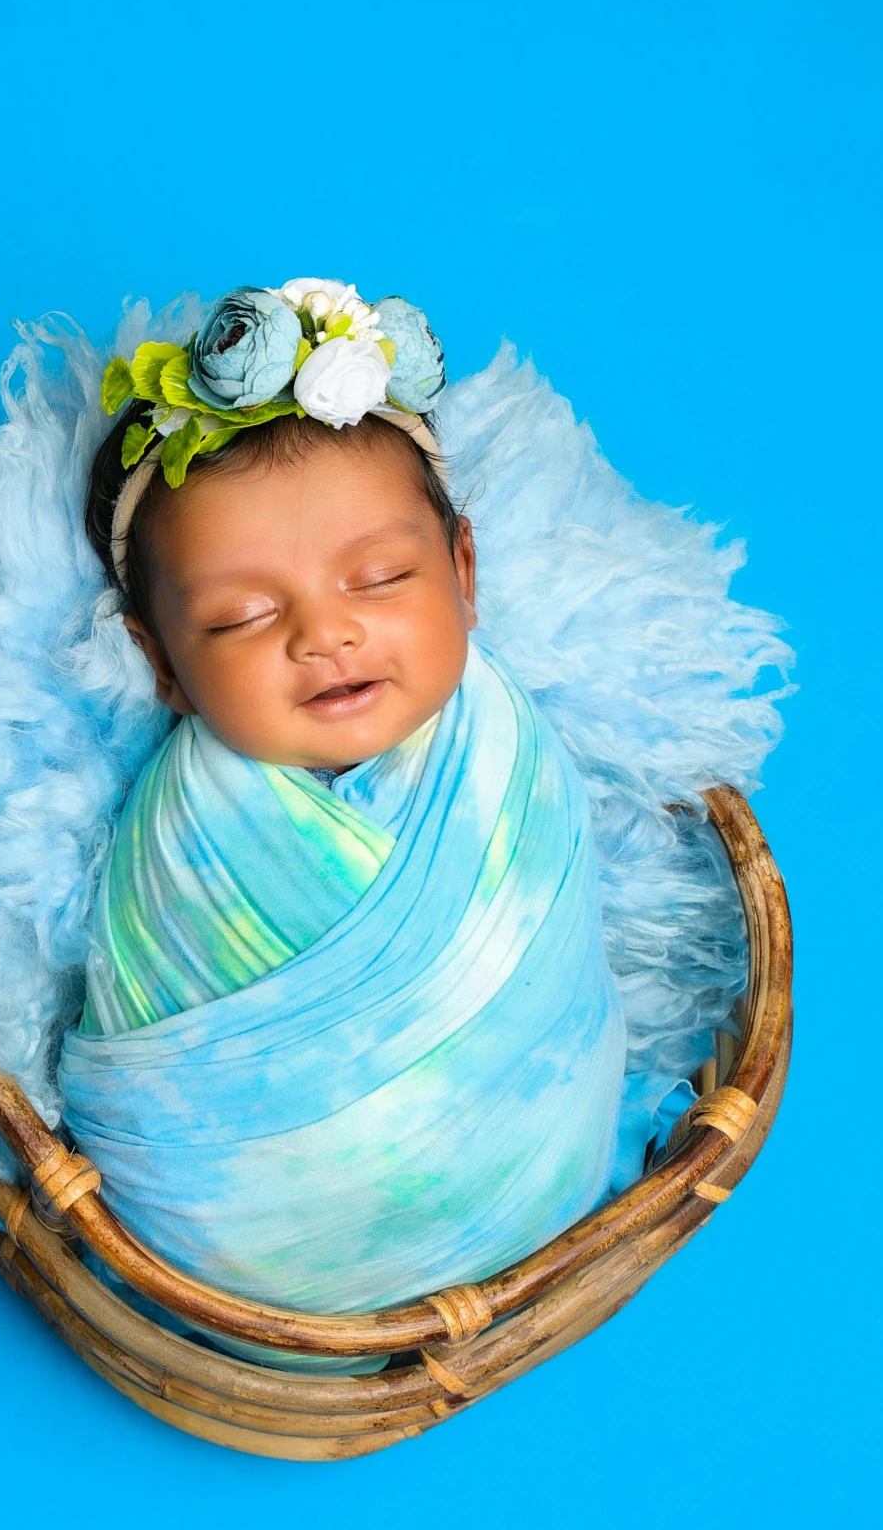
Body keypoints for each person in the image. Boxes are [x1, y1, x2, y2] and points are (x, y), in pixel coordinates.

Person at [63, 280, 626, 1369]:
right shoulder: (190, 823)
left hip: (542, 1169)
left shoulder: (497, 738)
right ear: (160, 664)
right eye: (240, 616)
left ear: (464, 575)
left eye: (380, 578)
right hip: (247, 1261)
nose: (326, 633)